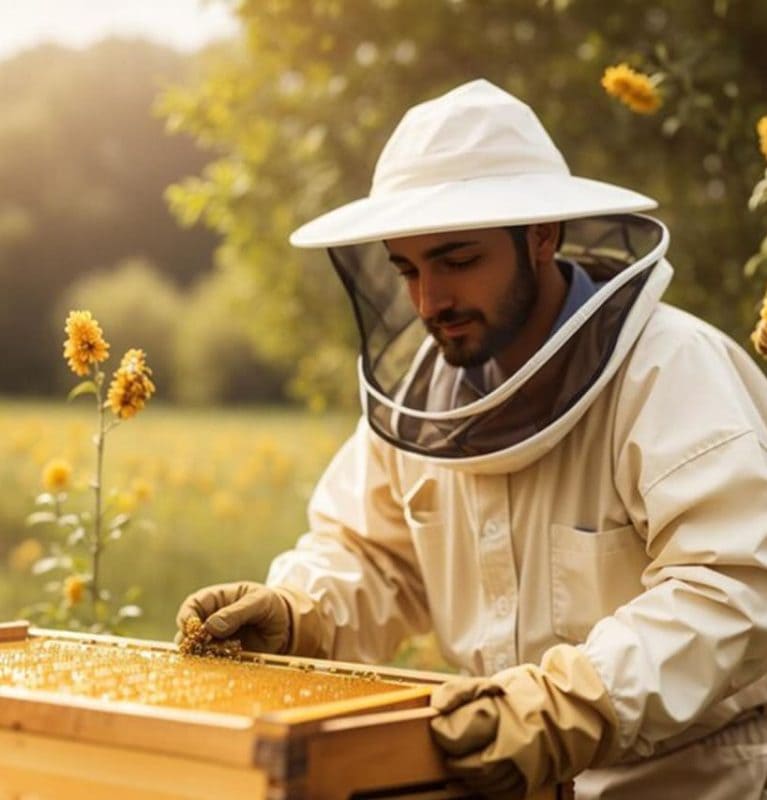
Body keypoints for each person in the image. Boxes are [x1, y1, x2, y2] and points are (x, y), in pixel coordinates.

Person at [176, 80, 767, 798]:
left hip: (685, 781)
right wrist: (301, 611)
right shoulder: (423, 406)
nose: (429, 301)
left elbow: (732, 585)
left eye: (456, 261)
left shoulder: (669, 369)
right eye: (407, 268)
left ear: (541, 236)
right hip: (500, 777)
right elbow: (372, 558)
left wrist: (576, 701)